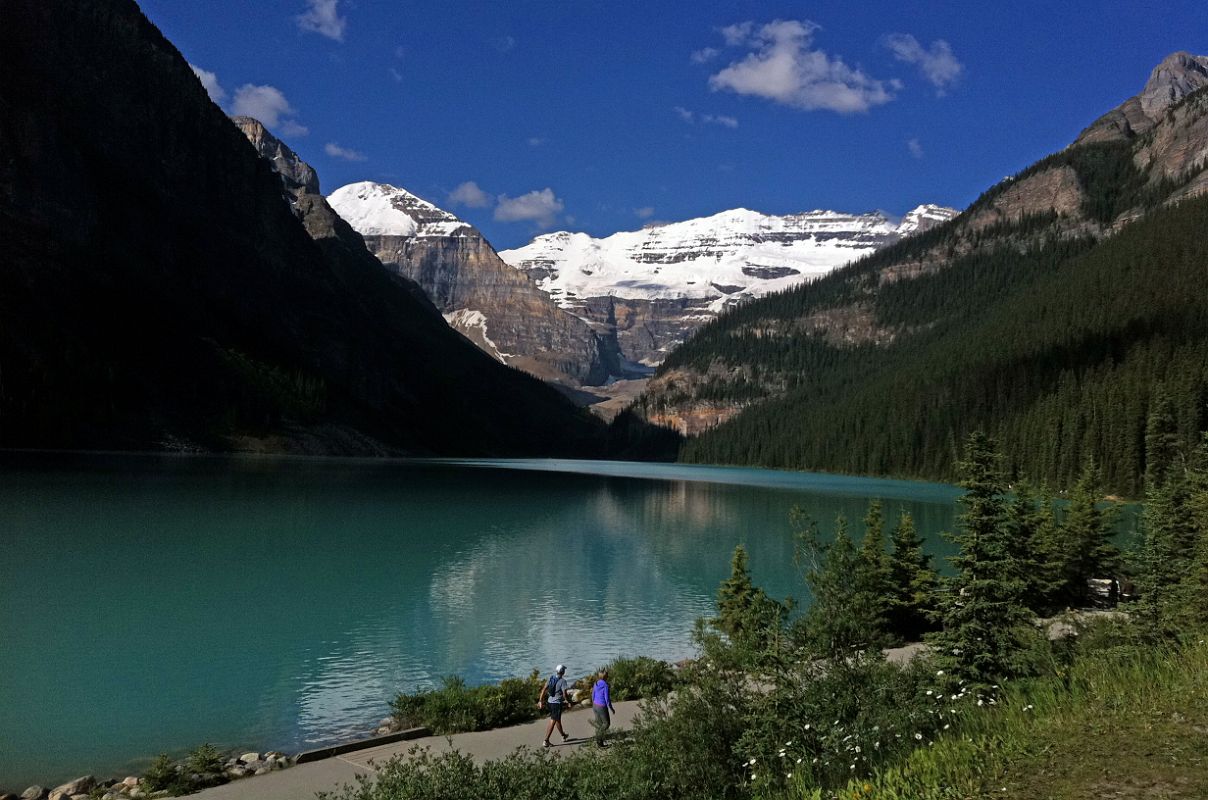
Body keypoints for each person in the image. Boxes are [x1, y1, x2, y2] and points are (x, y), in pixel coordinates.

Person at [537, 664, 572, 747]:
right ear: (563, 672)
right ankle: (546, 740)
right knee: (553, 720)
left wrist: (540, 701)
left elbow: (543, 690)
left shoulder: (551, 678)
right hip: (557, 704)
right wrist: (568, 701)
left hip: (550, 702)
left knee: (557, 719)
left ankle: (563, 735)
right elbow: (564, 694)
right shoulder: (563, 681)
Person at [591, 668, 616, 747]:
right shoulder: (605, 685)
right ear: (605, 677)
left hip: (595, 705)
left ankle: (599, 741)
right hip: (602, 706)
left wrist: (594, 704)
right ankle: (599, 738)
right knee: (606, 724)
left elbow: (593, 695)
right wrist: (611, 708)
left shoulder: (596, 683)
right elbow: (607, 699)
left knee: (599, 724)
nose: (608, 676)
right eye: (607, 675)